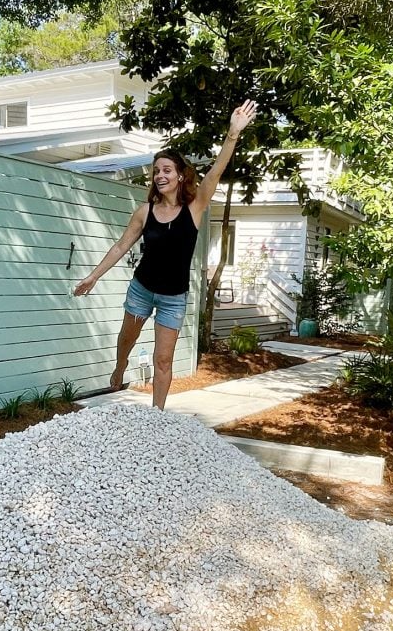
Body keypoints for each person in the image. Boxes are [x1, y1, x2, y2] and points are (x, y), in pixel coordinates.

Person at [73, 100, 258, 410]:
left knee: (163, 358)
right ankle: (120, 367)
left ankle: (157, 416)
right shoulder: (144, 212)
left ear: (180, 175)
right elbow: (121, 246)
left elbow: (215, 173)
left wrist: (233, 133)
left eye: (166, 169)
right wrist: (93, 276)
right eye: (156, 170)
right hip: (142, 289)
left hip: (174, 297)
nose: (160, 174)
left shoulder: (194, 208)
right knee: (126, 340)